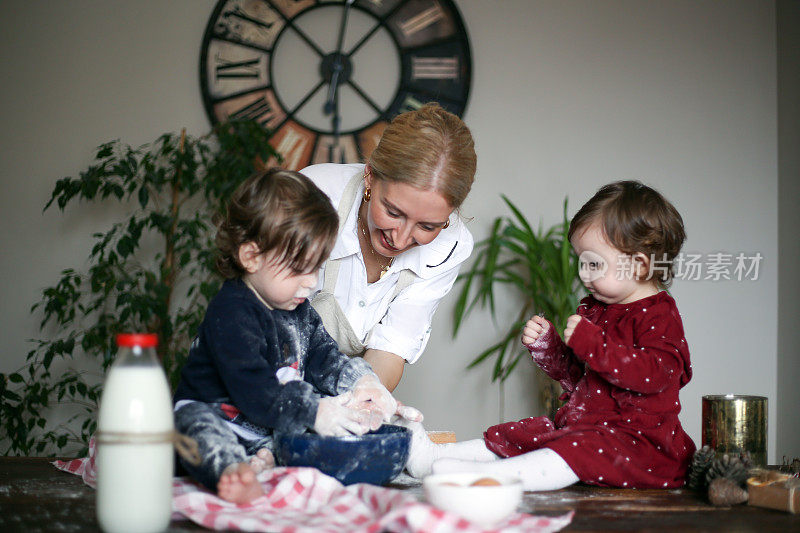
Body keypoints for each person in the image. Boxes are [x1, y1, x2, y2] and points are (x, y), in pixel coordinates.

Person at [401, 180, 695, 491]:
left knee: (573, 450)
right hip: (587, 428)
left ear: (639, 265)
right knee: (523, 435)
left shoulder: (659, 315)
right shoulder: (597, 308)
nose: (584, 274)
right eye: (581, 261)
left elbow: (655, 376)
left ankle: (483, 479)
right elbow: (578, 378)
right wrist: (549, 346)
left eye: (594, 264)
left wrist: (594, 344)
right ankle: (434, 458)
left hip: (635, 444)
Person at [173, 168, 420, 504]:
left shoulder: (298, 307)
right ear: (251, 256)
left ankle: (263, 459)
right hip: (216, 417)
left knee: (300, 439)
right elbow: (255, 390)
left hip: (266, 426)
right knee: (197, 430)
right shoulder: (231, 312)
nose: (310, 281)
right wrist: (316, 411)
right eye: (298, 269)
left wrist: (365, 386)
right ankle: (231, 472)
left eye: (317, 267)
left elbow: (324, 356)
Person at [302, 103, 477, 392]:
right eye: (393, 212)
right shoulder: (314, 197)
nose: (400, 238)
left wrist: (362, 404)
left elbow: (391, 348)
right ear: (370, 176)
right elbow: (266, 321)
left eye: (427, 226)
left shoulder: (450, 246)